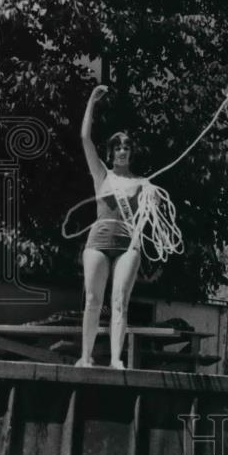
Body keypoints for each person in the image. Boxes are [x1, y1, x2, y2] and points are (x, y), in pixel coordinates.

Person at [76, 84, 144, 369]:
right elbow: (84, 137)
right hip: (98, 243)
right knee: (93, 299)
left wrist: (137, 244)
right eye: (117, 147)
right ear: (111, 151)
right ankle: (86, 355)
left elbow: (143, 220)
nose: (122, 151)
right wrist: (91, 99)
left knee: (120, 301)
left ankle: (116, 358)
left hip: (127, 245)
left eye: (127, 147)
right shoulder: (101, 174)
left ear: (132, 152)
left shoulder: (142, 184)